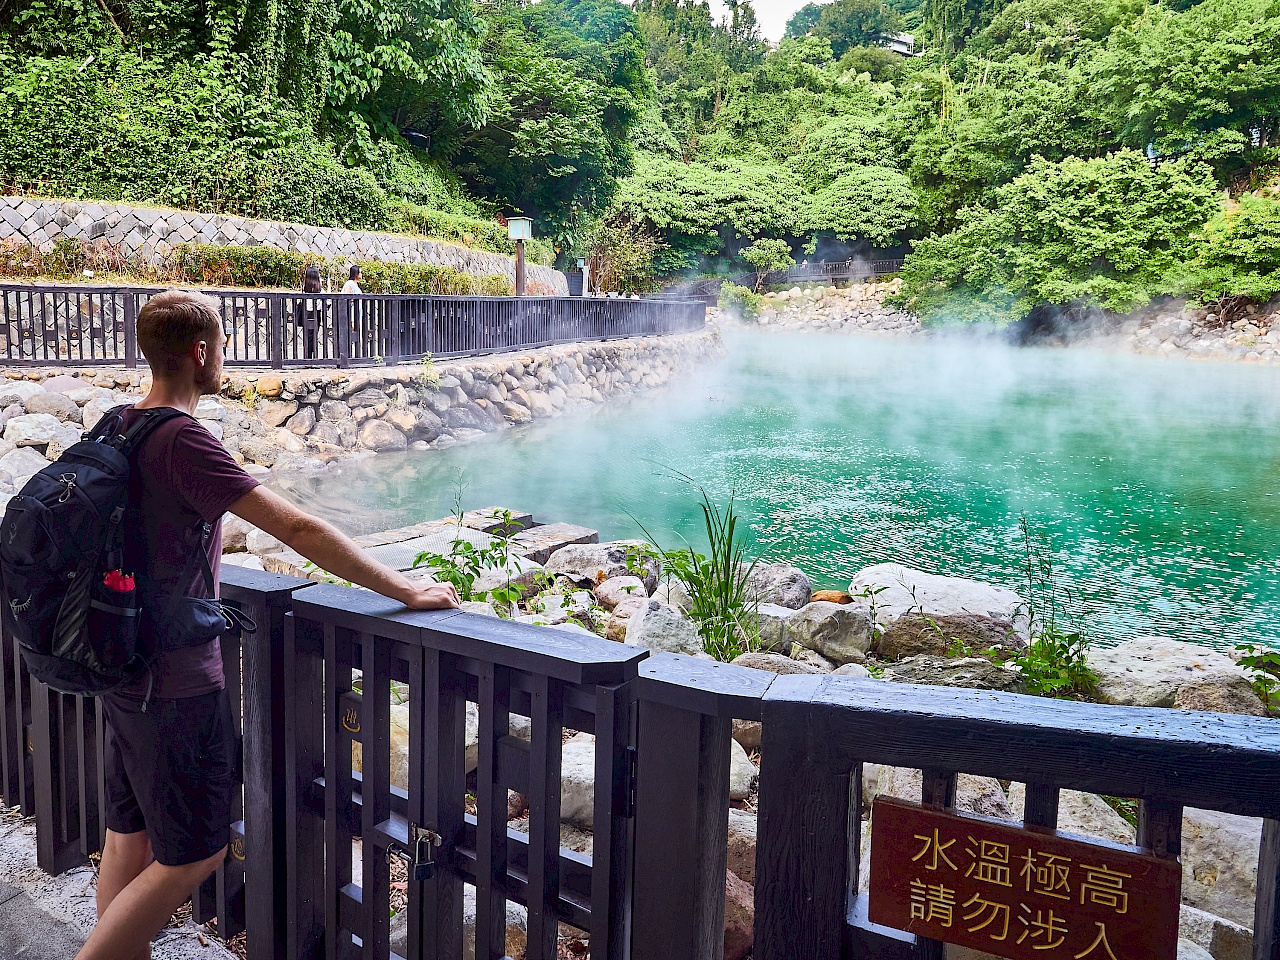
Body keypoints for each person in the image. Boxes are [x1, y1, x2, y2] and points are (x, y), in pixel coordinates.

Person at [75, 290, 459, 960]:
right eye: (219, 348)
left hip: (121, 665)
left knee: (127, 835)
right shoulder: (183, 439)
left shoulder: (117, 422)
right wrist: (402, 587)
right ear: (201, 353)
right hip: (175, 683)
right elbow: (296, 526)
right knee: (194, 855)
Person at [301, 264, 323, 359]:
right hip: (316, 313)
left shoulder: (305, 287)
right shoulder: (319, 288)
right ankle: (312, 356)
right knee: (314, 335)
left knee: (308, 335)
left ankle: (308, 356)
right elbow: (327, 300)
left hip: (307, 312)